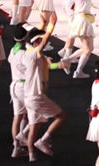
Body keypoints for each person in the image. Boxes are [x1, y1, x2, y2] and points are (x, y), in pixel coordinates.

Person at [23, 15, 67, 162]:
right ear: (36, 42)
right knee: (61, 117)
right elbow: (43, 40)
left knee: (34, 126)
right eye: (40, 40)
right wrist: (51, 26)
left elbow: (46, 64)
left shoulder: (30, 53)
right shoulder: (34, 54)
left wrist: (58, 65)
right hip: (36, 96)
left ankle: (31, 155)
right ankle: (44, 140)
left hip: (28, 96)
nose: (43, 41)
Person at [59, 0, 99, 79]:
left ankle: (68, 61)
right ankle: (76, 69)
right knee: (88, 49)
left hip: (80, 19)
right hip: (82, 21)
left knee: (89, 48)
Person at [8, 26, 30, 158]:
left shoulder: (13, 50)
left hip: (14, 85)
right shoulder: (24, 54)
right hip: (24, 86)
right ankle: (23, 137)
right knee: (29, 115)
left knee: (17, 116)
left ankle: (16, 146)